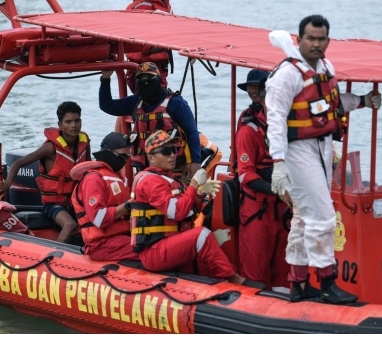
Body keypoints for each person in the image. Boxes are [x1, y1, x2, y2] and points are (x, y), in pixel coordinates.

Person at [266, 15, 382, 304]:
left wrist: (363, 101)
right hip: (297, 150)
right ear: (300, 40)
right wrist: (278, 162)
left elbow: (332, 103)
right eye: (311, 38)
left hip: (322, 145)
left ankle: (298, 282)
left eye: (321, 39)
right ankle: (328, 281)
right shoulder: (287, 75)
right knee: (324, 216)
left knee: (305, 219)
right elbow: (276, 119)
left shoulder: (326, 68)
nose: (316, 43)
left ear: (327, 41)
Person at [130, 130, 255, 285]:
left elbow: (188, 210)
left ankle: (220, 283)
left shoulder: (167, 179)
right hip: (155, 250)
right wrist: (194, 184)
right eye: (166, 151)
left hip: (169, 242)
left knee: (205, 249)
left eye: (174, 150)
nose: (172, 155)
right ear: (151, 157)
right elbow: (178, 212)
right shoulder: (151, 181)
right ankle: (233, 279)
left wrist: (200, 193)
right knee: (201, 235)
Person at [0, 101, 91, 243]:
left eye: (77, 121)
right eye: (68, 122)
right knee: (70, 225)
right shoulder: (50, 148)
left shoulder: (84, 143)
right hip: (55, 204)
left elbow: (89, 169)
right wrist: (7, 183)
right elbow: (18, 163)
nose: (74, 125)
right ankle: (53, 258)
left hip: (77, 202)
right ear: (60, 125)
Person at [99, 62, 201, 179]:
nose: (146, 83)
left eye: (150, 79)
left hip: (174, 168)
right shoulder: (135, 102)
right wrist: (105, 79)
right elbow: (107, 106)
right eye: (141, 80)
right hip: (144, 170)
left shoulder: (176, 103)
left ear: (158, 79)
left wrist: (196, 162)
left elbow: (192, 132)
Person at [236, 76, 291, 291]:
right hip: (257, 210)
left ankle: (285, 308)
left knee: (285, 269)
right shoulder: (249, 131)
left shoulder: (294, 131)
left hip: (286, 209)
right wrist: (278, 191)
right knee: (255, 270)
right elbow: (245, 175)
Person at [70, 132, 139, 261]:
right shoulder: (93, 179)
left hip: (121, 237)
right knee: (152, 251)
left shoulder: (118, 177)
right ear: (108, 153)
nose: (125, 160)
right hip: (102, 244)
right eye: (122, 156)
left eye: (127, 156)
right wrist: (129, 204)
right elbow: (98, 218)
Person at [124, 0, 180, 93]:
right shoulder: (142, 7)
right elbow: (141, 46)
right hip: (144, 72)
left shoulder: (165, 6)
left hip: (159, 70)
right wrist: (174, 44)